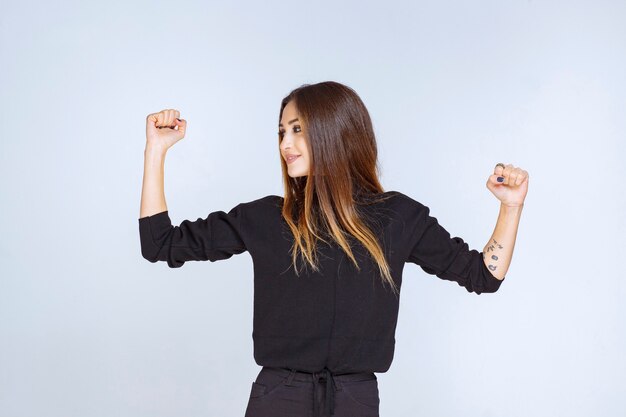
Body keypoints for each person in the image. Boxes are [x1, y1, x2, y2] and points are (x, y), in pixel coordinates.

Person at [138, 81, 528, 417]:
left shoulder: (396, 218)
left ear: (334, 133)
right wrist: (155, 150)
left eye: (297, 130)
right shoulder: (265, 218)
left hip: (354, 400)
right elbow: (160, 244)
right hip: (279, 399)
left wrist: (511, 207)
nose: (285, 144)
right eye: (281, 133)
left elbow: (483, 275)